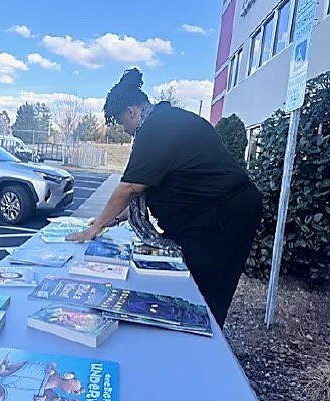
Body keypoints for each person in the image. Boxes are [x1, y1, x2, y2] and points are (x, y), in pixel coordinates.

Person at [68, 68, 262, 328]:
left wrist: (95, 228)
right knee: (188, 288)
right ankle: (190, 337)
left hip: (225, 215)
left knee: (202, 294)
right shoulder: (162, 121)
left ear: (131, 111)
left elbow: (130, 188)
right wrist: (115, 218)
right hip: (208, 212)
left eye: (120, 121)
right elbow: (160, 184)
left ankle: (201, 350)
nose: (123, 129)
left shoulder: (156, 127)